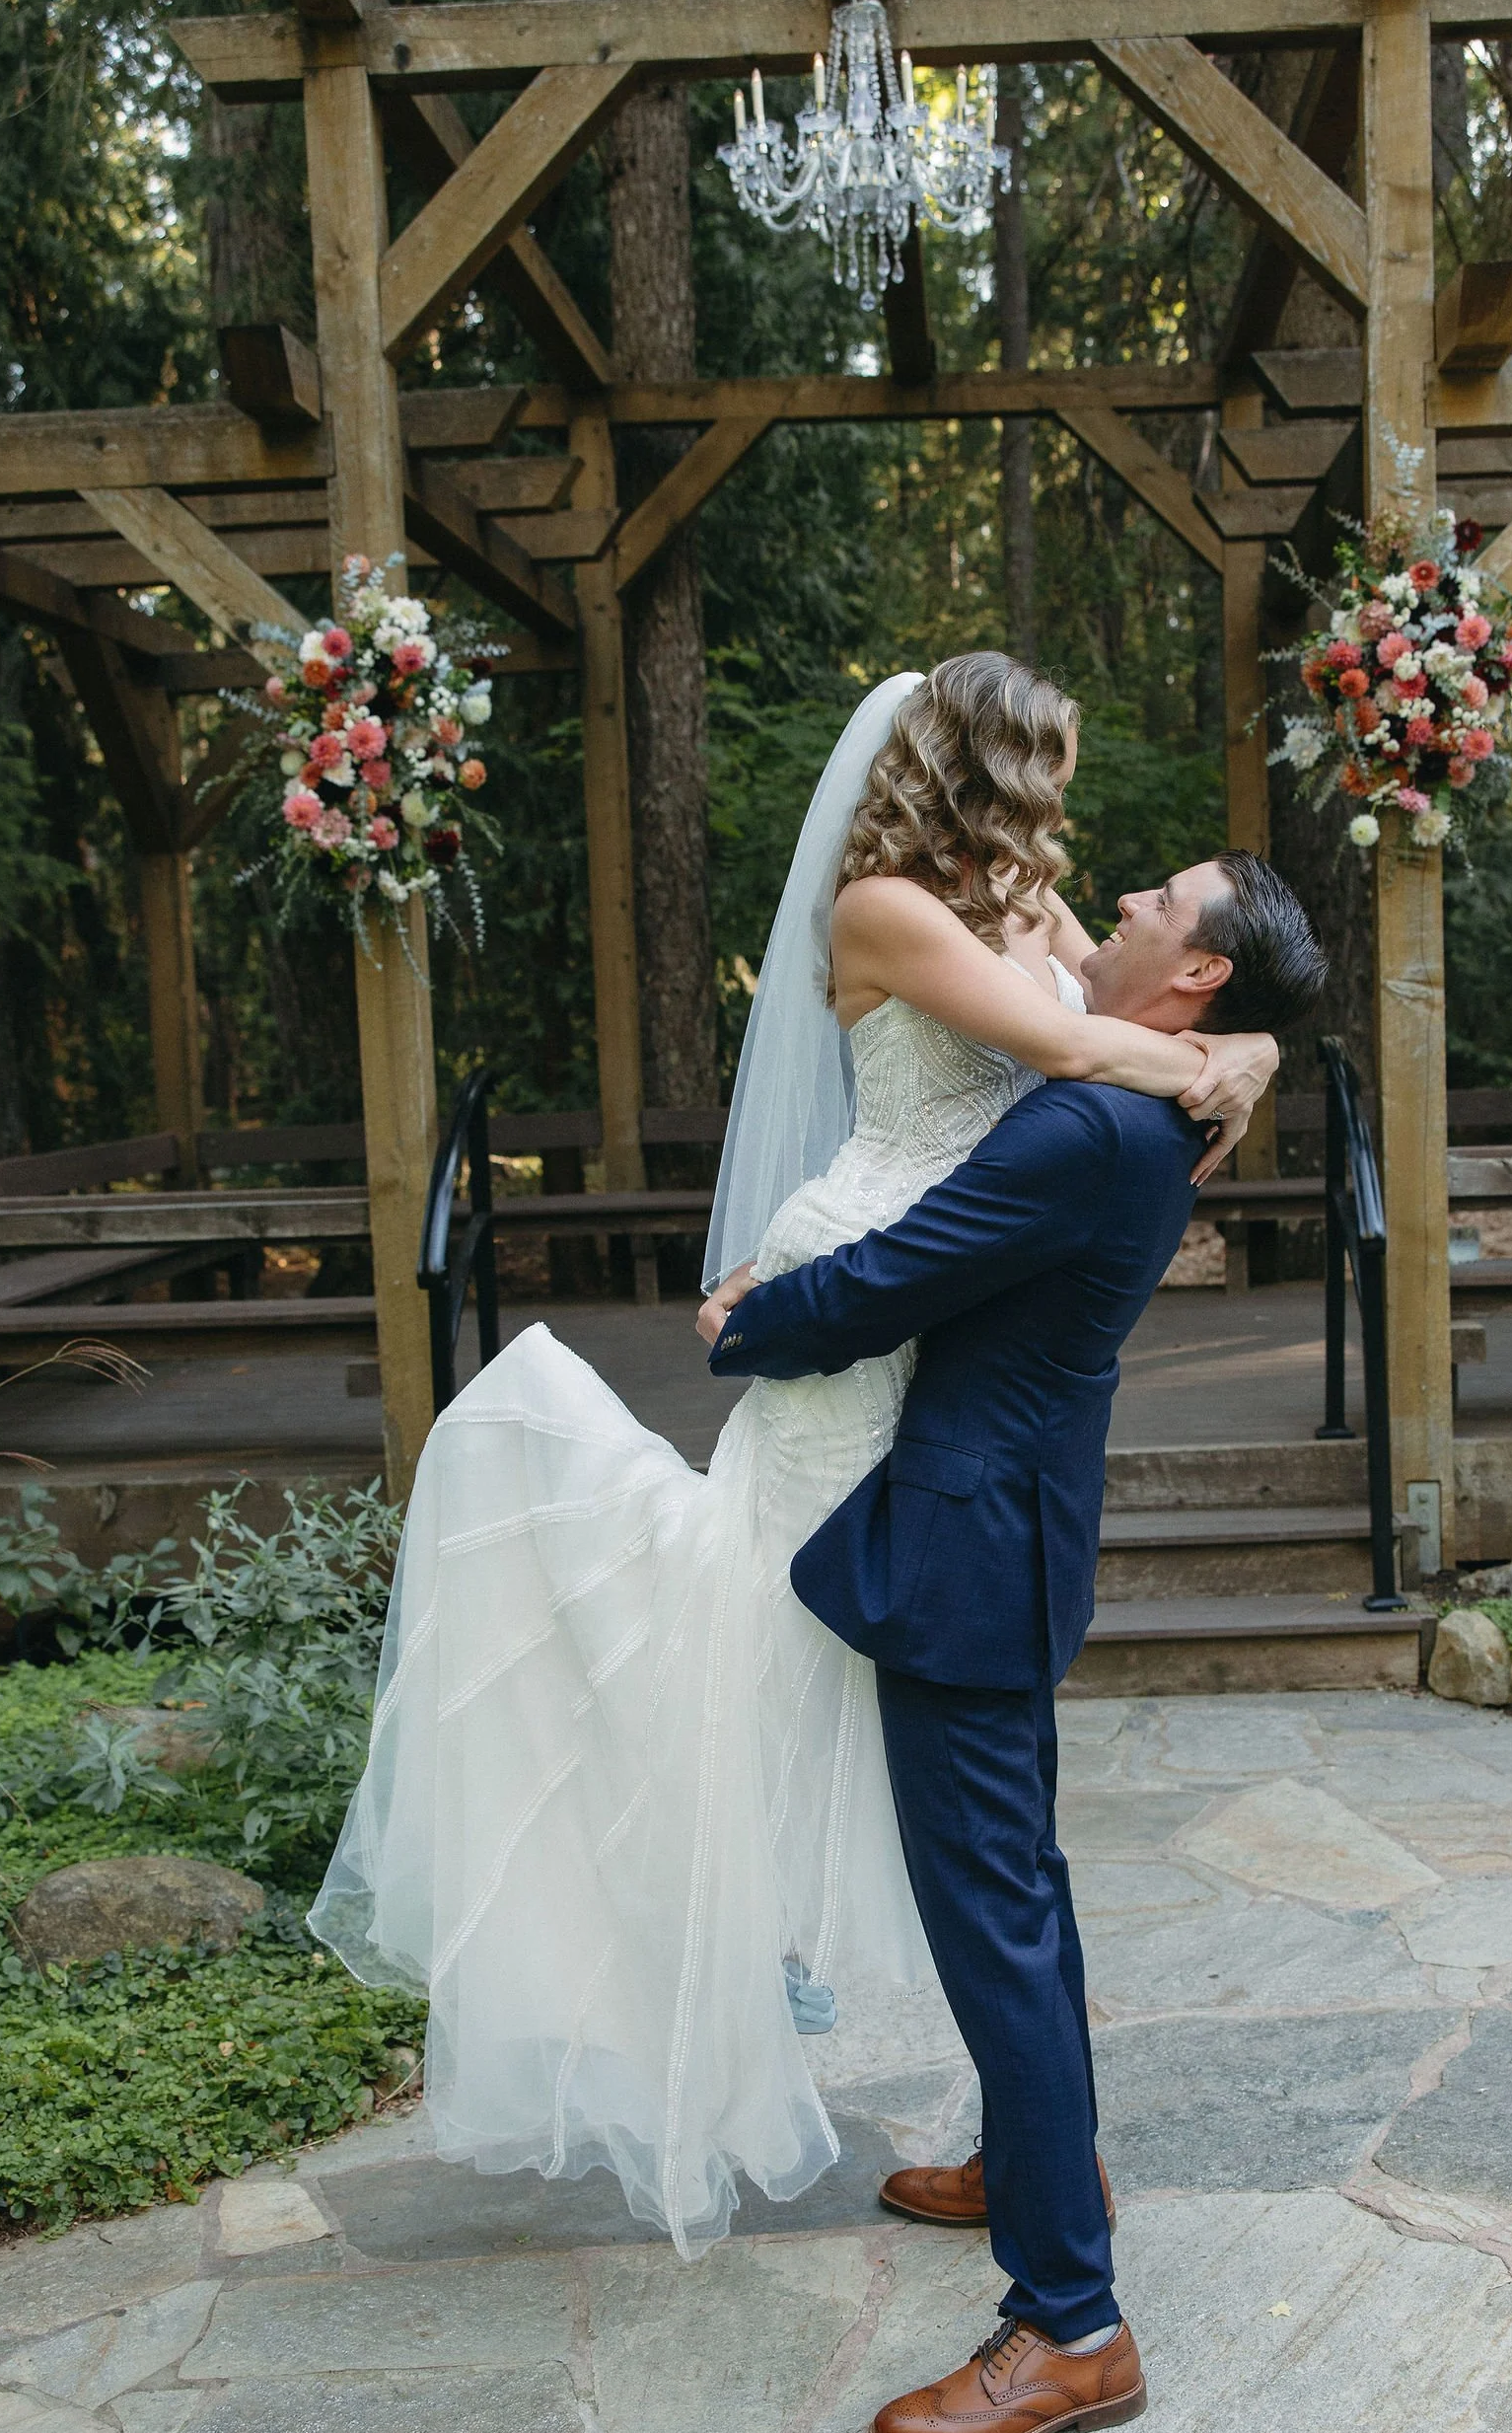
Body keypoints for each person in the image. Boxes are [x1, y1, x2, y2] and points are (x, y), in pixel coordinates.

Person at [309, 656, 1281, 2256]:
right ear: (991, 769)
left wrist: (1225, 1044)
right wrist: (1224, 1058)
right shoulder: (887, 910)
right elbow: (1093, 1055)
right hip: (857, 1292)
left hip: (922, 1319)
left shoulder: (1021, 920)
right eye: (1054, 766)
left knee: (934, 1783)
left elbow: (1100, 1024)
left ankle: (1035, 2157)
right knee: (767, 1660)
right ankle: (993, 2143)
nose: (1078, 823)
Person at [700, 848, 1328, 2433]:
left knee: (995, 1918)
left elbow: (895, 1283)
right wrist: (1243, 1049)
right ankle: (1030, 2156)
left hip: (968, 1550)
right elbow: (1064, 964)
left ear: (1194, 974)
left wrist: (741, 1324)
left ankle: (1070, 2322)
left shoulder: (1088, 1123)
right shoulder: (1146, 1089)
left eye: (1156, 906)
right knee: (1020, 1895)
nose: (1118, 902)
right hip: (1014, 1526)